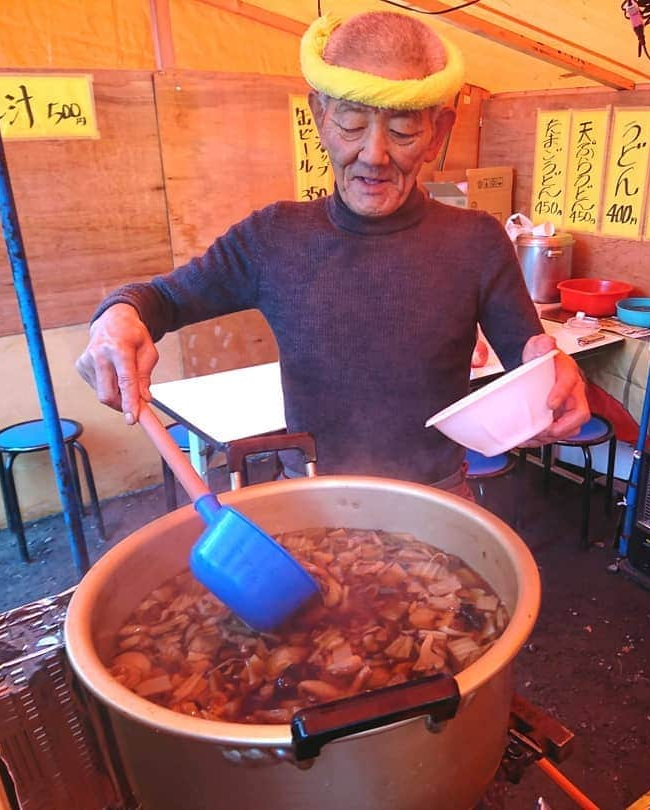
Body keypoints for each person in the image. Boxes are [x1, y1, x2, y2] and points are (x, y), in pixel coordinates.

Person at [76, 10, 589, 493]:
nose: (374, 155)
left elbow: (531, 360)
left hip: (437, 495)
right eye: (351, 123)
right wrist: (117, 316)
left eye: (404, 128)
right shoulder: (272, 237)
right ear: (319, 116)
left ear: (439, 133)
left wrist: (554, 380)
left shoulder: (477, 240)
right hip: (309, 495)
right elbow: (160, 299)